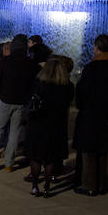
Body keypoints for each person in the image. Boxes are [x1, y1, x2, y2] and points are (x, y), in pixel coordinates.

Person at [0, 34, 40, 173]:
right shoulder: (31, 64)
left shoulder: (5, 61)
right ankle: (9, 163)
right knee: (14, 132)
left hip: (5, 100)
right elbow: (35, 83)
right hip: (21, 102)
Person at [73, 34, 108, 196]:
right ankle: (101, 184)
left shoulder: (90, 68)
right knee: (102, 151)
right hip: (106, 113)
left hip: (90, 114)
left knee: (89, 152)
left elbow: (83, 91)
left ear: (96, 47)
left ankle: (89, 185)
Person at [25, 57, 74, 197]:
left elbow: (31, 99)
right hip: (56, 125)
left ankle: (35, 186)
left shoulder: (40, 83)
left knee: (36, 156)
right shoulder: (68, 86)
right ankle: (46, 186)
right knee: (50, 157)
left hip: (39, 123)